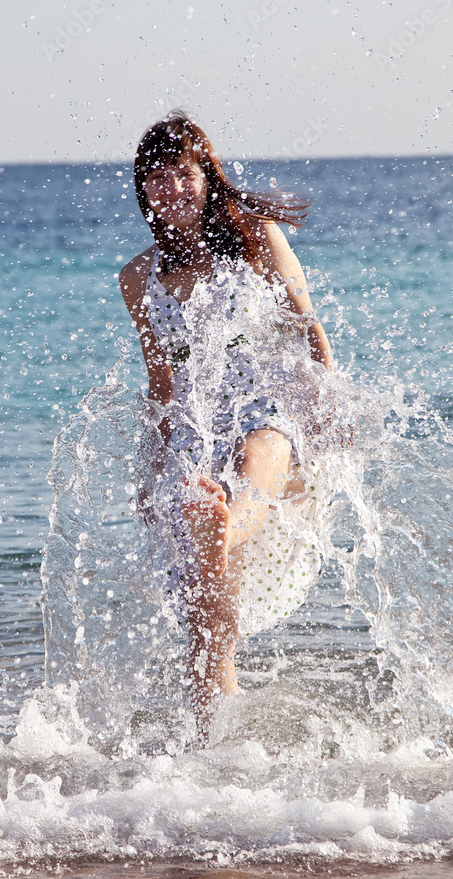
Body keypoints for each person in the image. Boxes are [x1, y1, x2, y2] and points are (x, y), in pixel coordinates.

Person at [118, 111, 335, 742]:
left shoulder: (257, 238)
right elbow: (160, 386)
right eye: (156, 180)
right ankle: (214, 745)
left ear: (206, 176)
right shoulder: (139, 279)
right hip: (194, 428)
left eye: (182, 175)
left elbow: (310, 334)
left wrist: (327, 419)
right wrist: (153, 469)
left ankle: (223, 517)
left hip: (267, 408)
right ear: (143, 193)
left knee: (249, 468)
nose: (171, 190)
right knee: (207, 626)